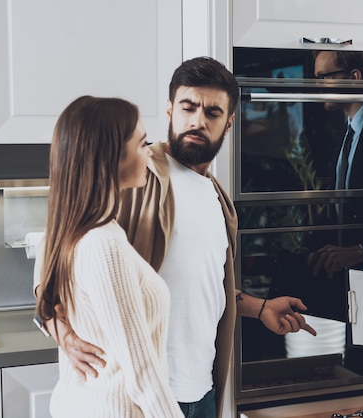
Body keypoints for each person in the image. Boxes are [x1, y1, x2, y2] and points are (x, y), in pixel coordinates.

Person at [35, 57, 316, 418]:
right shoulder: (136, 174)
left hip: (201, 390)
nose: (198, 120)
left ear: (228, 123)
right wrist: (63, 333)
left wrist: (259, 308)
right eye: (188, 107)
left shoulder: (218, 198)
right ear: (170, 110)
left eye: (212, 112)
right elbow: (51, 257)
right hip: (144, 398)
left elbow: (200, 285)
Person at [35, 95, 184, 417]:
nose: (149, 154)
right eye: (142, 144)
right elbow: (142, 373)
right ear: (111, 158)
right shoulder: (104, 245)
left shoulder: (78, 231)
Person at [292, 50, 363, 375]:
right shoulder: (347, 129)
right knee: (355, 371)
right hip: (351, 285)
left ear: (354, 77)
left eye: (325, 76)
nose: (318, 85)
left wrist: (361, 250)